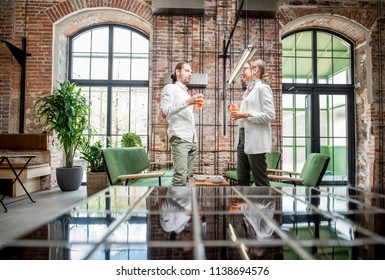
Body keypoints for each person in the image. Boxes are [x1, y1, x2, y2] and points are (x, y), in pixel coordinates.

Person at [230, 58, 275, 186]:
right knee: (242, 179)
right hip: (242, 138)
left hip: (256, 139)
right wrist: (238, 111)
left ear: (255, 70)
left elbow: (270, 115)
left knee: (261, 181)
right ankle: (245, 205)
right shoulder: (248, 90)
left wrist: (245, 114)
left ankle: (266, 205)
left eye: (244, 69)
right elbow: (249, 113)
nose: (242, 72)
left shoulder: (263, 88)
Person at [160, 61, 204, 186]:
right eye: (187, 71)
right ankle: (175, 204)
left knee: (185, 178)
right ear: (177, 71)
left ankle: (183, 205)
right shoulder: (169, 88)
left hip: (192, 140)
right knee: (179, 178)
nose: (190, 74)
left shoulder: (185, 93)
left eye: (191, 72)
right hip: (180, 138)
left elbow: (184, 115)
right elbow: (165, 112)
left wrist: (190, 103)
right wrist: (188, 102)